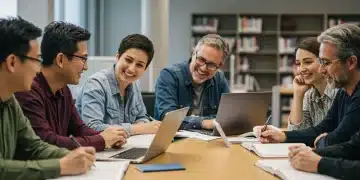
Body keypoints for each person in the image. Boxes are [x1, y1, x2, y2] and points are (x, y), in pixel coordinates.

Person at [0, 16, 97, 179]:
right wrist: (60, 166)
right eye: (36, 60)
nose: (39, 69)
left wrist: (74, 155)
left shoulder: (10, 100)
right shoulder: (23, 94)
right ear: (12, 62)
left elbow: (35, 146)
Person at [14, 21, 127, 152]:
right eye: (83, 59)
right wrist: (102, 140)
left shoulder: (63, 88)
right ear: (60, 59)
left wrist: (110, 137)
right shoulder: (28, 90)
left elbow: (79, 128)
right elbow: (47, 141)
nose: (86, 67)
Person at [254, 23, 360, 148]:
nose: (321, 69)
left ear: (351, 62)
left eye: (326, 62)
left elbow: (339, 139)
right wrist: (282, 136)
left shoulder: (345, 91)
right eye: (298, 64)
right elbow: (321, 130)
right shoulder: (342, 92)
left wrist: (322, 142)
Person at [76, 34, 161, 135]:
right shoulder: (96, 84)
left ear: (145, 69)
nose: (131, 69)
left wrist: (143, 125)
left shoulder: (134, 84)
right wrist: (139, 128)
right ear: (117, 57)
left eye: (139, 65)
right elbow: (92, 128)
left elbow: (141, 117)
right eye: (128, 60)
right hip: (95, 149)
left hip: (126, 145)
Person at [154, 34, 230, 130]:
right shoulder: (169, 75)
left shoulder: (220, 80)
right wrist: (203, 123)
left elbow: (227, 118)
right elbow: (167, 118)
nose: (203, 68)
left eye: (211, 64)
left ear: (219, 66)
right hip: (174, 140)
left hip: (209, 140)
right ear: (194, 53)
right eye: (201, 59)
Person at [288, 37, 338, 130]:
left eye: (308, 62)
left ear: (324, 62)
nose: (301, 69)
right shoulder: (309, 95)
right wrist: (298, 94)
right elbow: (295, 132)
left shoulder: (340, 93)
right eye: (298, 64)